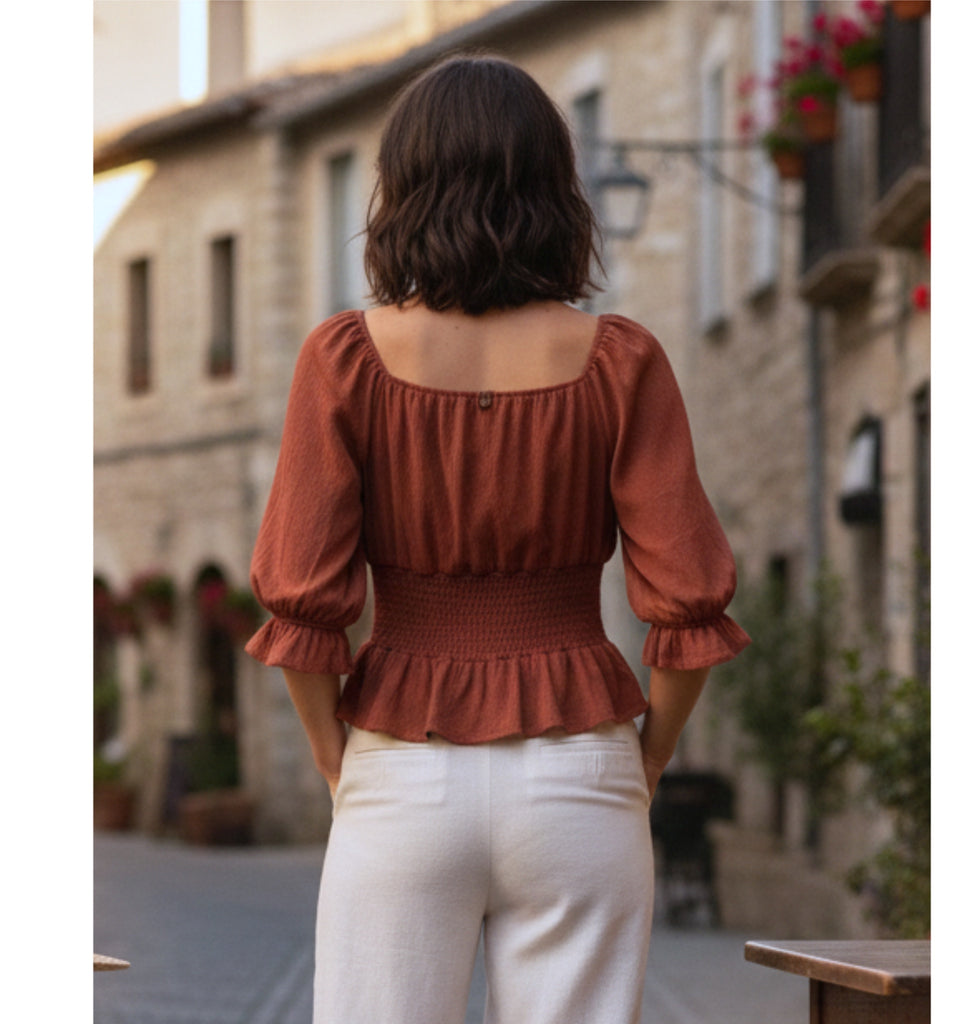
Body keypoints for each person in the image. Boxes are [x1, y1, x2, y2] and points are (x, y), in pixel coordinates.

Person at [245, 54, 750, 1024]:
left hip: (401, 759)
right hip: (579, 765)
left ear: (404, 191)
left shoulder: (342, 359)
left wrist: (333, 759)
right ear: (554, 191)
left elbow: (302, 604)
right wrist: (646, 756)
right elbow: (689, 599)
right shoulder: (620, 361)